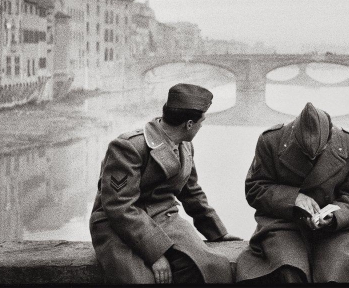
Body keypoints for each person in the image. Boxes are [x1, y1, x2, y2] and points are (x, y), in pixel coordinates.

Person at [89, 83, 241, 284]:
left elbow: (191, 192)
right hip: (118, 224)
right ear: (188, 124)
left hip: (163, 217)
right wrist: (155, 253)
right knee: (140, 280)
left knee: (212, 268)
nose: (201, 126)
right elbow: (119, 206)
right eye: (201, 122)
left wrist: (217, 232)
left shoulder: (185, 145)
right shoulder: (128, 147)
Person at [236, 102, 349, 284]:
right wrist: (293, 198)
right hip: (284, 224)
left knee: (334, 274)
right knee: (289, 270)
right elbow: (255, 188)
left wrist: (334, 215)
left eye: (319, 153)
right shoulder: (270, 141)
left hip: (335, 230)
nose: (311, 158)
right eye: (304, 153)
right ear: (294, 137)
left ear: (330, 138)